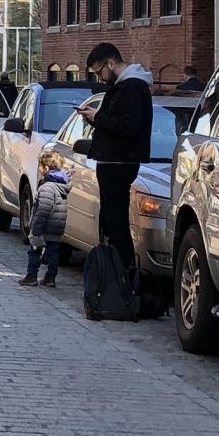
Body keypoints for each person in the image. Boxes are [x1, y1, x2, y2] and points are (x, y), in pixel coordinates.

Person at [84, 39, 153, 275]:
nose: (100, 78)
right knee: (110, 223)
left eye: (99, 72)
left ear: (110, 64)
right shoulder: (123, 87)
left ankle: (122, 277)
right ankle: (114, 275)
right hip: (112, 160)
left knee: (116, 224)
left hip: (119, 162)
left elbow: (128, 127)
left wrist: (98, 117)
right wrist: (94, 119)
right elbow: (117, 124)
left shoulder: (132, 88)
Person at [20, 165, 68, 287]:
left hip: (44, 226)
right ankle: (50, 277)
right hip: (57, 225)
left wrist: (35, 229)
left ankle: (31, 276)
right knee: (53, 252)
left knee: (35, 250)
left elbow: (43, 210)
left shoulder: (47, 187)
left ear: (45, 168)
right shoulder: (61, 185)